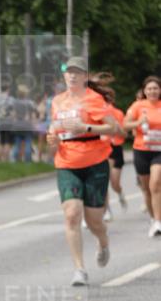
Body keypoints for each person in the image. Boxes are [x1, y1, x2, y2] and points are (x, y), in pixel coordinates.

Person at [46, 58, 118, 286]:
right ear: (64, 76)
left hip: (95, 162)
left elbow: (113, 128)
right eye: (69, 73)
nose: (72, 76)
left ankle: (103, 242)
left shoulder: (94, 100)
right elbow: (54, 128)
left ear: (85, 77)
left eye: (77, 73)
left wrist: (86, 128)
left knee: (94, 220)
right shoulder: (57, 101)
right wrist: (51, 138)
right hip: (67, 163)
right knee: (72, 214)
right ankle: (79, 269)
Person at [124, 75, 161, 237]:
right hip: (141, 150)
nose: (152, 91)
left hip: (159, 151)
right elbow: (124, 125)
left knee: (156, 184)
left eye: (155, 88)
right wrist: (138, 123)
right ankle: (153, 219)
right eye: (149, 89)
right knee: (146, 189)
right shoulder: (138, 106)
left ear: (160, 90)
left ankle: (159, 221)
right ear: (144, 91)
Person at [100, 83, 128, 217]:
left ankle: (120, 193)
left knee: (114, 182)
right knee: (104, 179)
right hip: (104, 148)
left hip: (116, 148)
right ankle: (107, 209)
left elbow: (125, 135)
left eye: (109, 98)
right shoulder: (97, 112)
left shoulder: (118, 113)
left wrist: (117, 128)